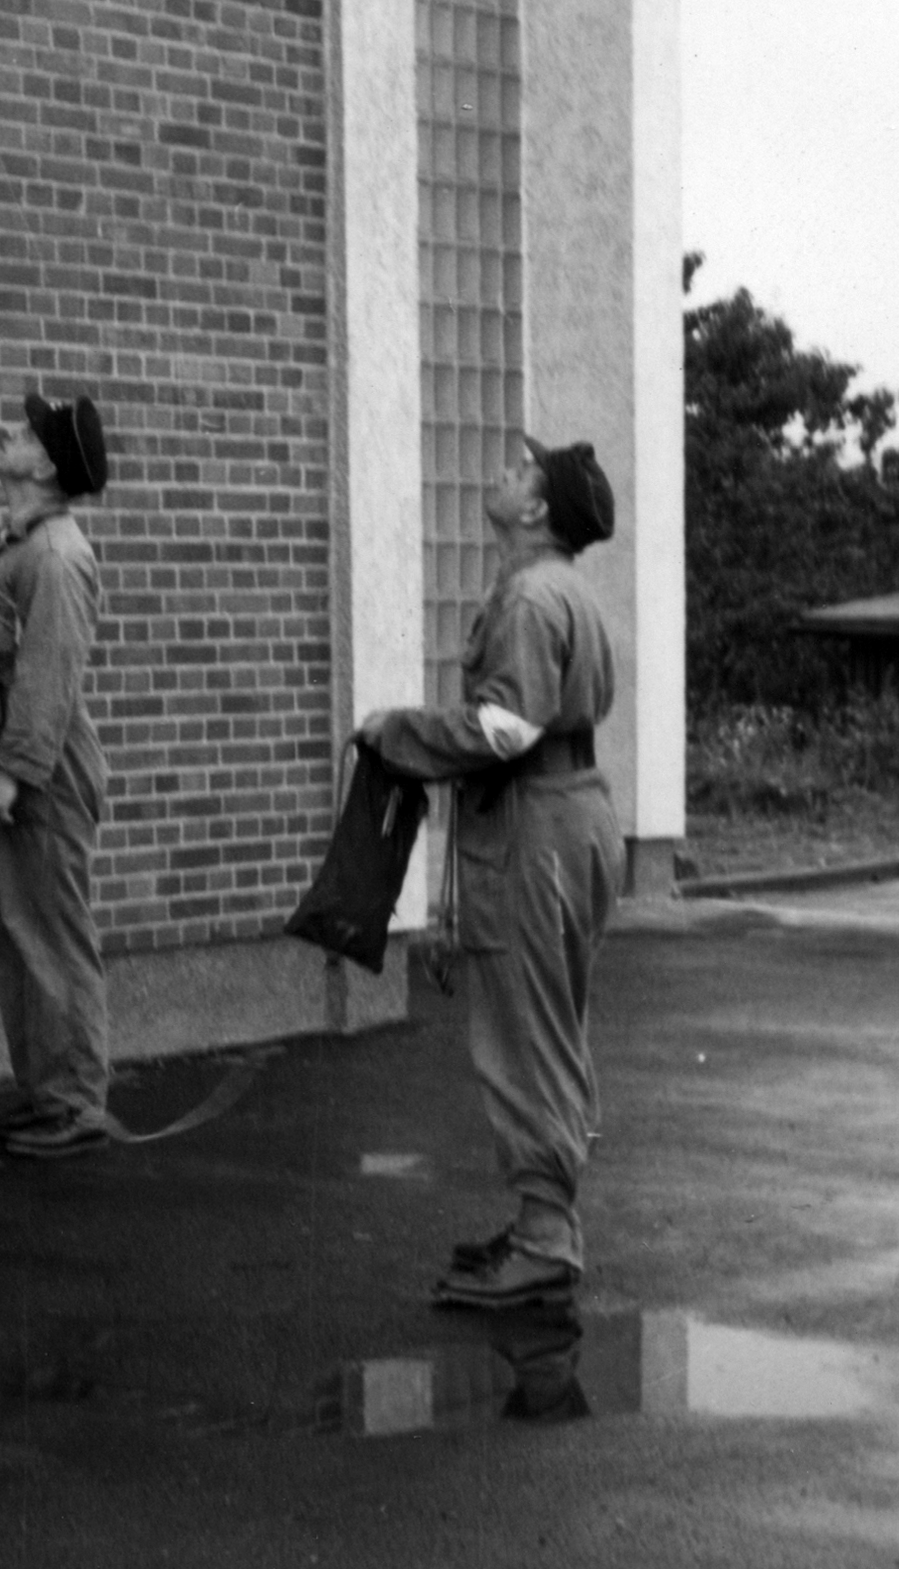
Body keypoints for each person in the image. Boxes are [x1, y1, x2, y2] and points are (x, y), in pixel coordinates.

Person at [357, 435, 624, 1307]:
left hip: (531, 830)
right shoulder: (566, 592)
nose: (503, 477)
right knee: (552, 1024)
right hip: (572, 816)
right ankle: (543, 1220)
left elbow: (504, 732)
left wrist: (397, 731)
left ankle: (546, 1240)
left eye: (520, 473)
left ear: (538, 509)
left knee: (524, 1036)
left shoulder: (527, 597)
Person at [0, 391, 112, 1160]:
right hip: (0, 765)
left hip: (37, 775)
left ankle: (74, 1105)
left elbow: (48, 677)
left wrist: (11, 773)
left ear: (42, 463)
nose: (6, 436)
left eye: (22, 433)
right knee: (14, 932)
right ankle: (45, 1093)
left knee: (50, 935)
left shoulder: (54, 555)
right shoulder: (14, 541)